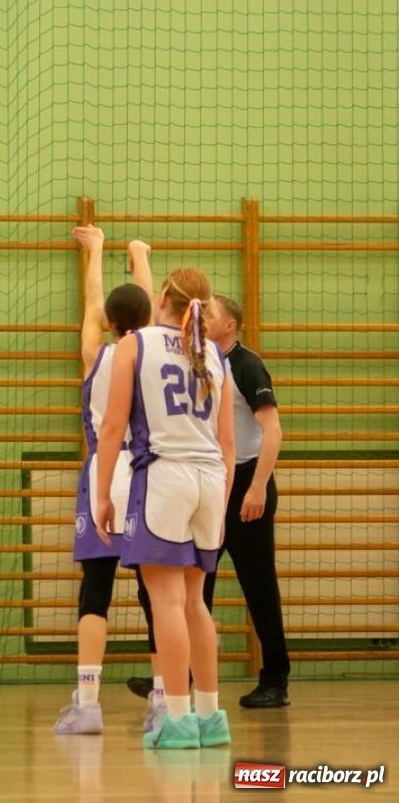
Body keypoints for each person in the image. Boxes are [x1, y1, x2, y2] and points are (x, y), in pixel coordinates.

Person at [127, 293, 290, 711]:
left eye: (212, 313)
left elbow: (272, 431)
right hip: (211, 483)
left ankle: (275, 678)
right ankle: (176, 679)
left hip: (246, 484)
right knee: (191, 589)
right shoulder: (195, 359)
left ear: (230, 325)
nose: (202, 316)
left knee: (259, 586)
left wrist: (257, 488)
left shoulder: (246, 364)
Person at [94, 268, 235, 750]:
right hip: (210, 481)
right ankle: (211, 717)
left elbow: (113, 425)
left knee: (168, 603)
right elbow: (228, 444)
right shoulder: (215, 354)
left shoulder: (136, 344)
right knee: (196, 603)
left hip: (165, 476)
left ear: (163, 298)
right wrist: (221, 503)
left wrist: (102, 493)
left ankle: (176, 720)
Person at [53, 227, 153, 735]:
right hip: (146, 477)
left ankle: (88, 704)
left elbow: (95, 304)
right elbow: (145, 313)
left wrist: (95, 250)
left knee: (96, 590)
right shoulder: (154, 355)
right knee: (157, 593)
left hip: (103, 474)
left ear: (110, 324)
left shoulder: (99, 357)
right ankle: (165, 698)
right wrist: (139, 255)